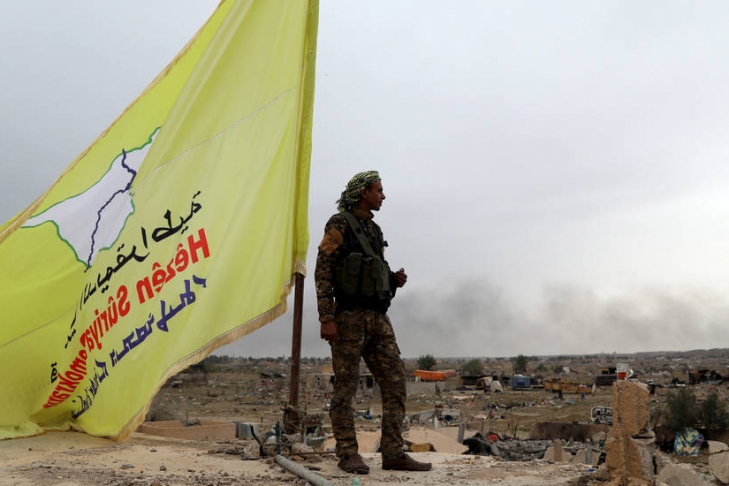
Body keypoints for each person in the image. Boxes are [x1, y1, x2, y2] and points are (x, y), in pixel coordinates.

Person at [315, 171, 431, 474]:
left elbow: (371, 273)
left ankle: (393, 452)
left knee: (395, 383)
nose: (383, 195)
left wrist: (393, 280)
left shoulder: (375, 230)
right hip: (348, 318)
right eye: (378, 190)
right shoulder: (339, 224)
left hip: (378, 319)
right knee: (346, 387)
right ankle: (348, 454)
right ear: (363, 192)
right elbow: (323, 271)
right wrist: (326, 318)